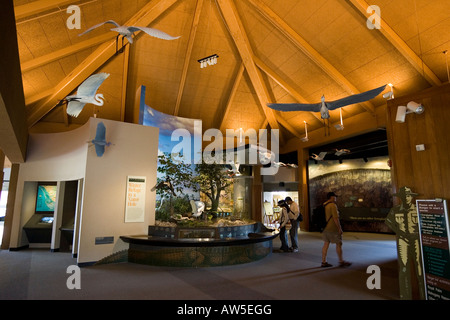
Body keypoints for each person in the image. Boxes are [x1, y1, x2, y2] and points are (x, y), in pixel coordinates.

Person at [321, 192, 351, 267]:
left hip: (325, 228)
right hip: (332, 228)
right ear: (331, 197)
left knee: (326, 244)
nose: (335, 198)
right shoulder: (332, 205)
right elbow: (335, 218)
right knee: (339, 244)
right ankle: (341, 261)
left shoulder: (324, 205)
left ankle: (323, 261)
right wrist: (339, 228)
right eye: (335, 196)